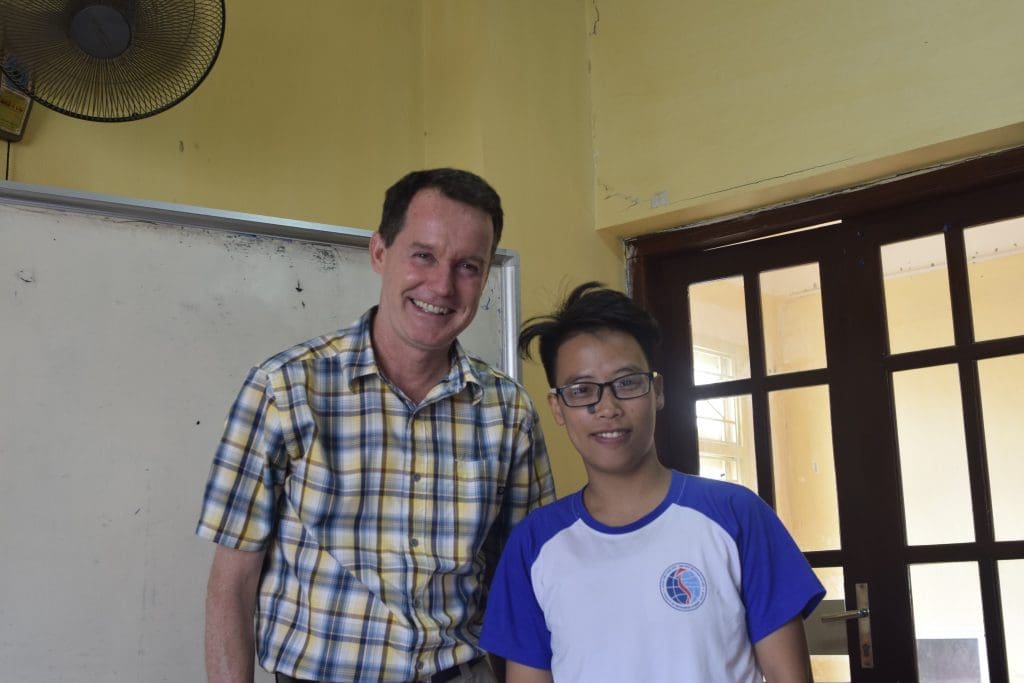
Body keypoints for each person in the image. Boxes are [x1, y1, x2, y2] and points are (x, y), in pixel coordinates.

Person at [196, 168, 556, 683]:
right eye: (423, 255)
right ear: (380, 252)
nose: (442, 286)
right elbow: (232, 585)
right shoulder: (284, 389)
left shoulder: (509, 411)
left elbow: (522, 585)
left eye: (468, 266)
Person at [480, 282, 825, 682]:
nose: (607, 408)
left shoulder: (736, 515)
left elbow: (789, 676)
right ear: (558, 408)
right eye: (582, 390)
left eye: (627, 383)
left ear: (657, 391)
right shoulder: (534, 544)